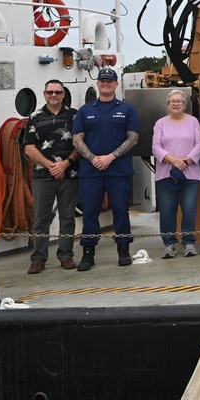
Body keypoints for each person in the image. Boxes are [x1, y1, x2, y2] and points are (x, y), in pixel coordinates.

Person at [71, 67, 140, 271]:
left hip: (118, 170)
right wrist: (94, 159)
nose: (106, 84)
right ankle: (88, 255)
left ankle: (124, 251)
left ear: (116, 85)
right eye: (102, 81)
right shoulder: (86, 110)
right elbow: (77, 139)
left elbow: (133, 137)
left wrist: (111, 157)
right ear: (98, 84)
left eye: (110, 81)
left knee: (121, 211)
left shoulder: (127, 109)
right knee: (90, 212)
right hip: (91, 172)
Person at [24, 79, 79, 274]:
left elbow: (79, 145)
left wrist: (65, 164)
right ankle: (38, 259)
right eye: (50, 92)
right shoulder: (35, 117)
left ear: (63, 94)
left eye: (57, 92)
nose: (54, 95)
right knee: (41, 218)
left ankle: (66, 256)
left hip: (69, 174)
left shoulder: (74, 116)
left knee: (67, 217)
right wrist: (50, 166)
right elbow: (29, 147)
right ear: (44, 94)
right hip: (42, 176)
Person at [151, 90, 200, 259]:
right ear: (167, 105)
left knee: (189, 209)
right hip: (166, 175)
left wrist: (186, 162)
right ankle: (169, 244)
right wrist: (175, 161)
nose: (176, 104)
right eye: (172, 101)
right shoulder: (160, 123)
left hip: (190, 175)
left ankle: (189, 242)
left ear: (184, 105)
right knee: (167, 211)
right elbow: (156, 147)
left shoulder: (193, 122)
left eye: (179, 101)